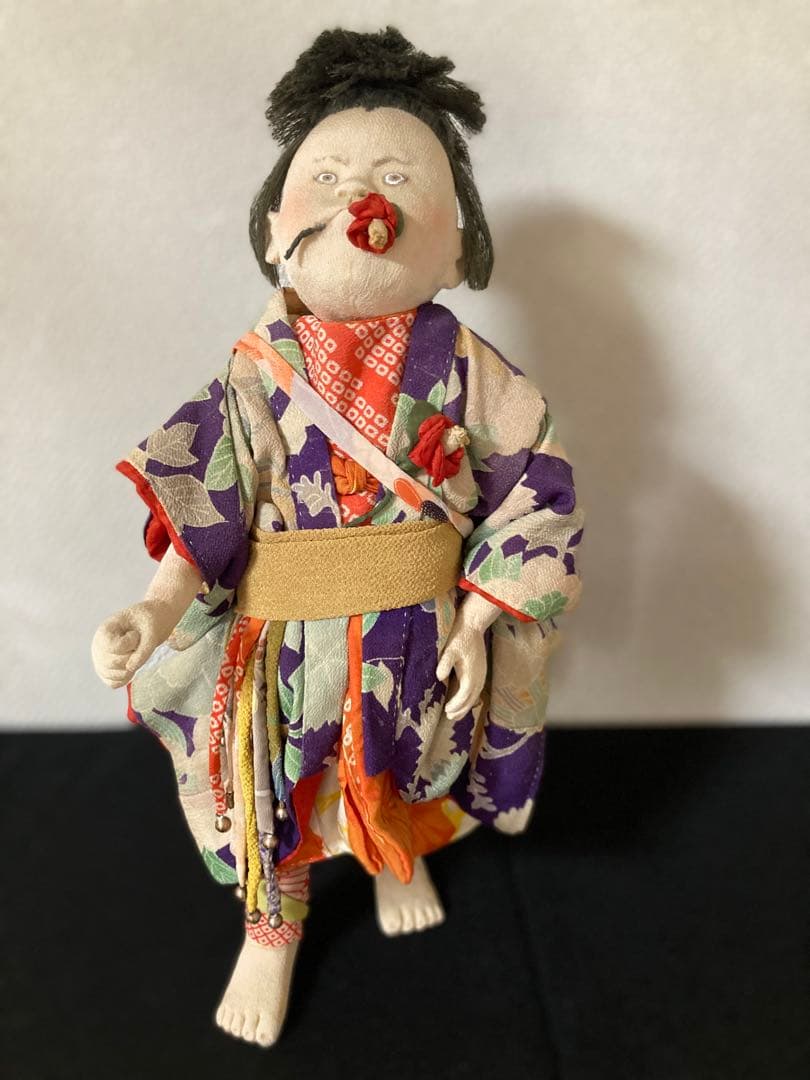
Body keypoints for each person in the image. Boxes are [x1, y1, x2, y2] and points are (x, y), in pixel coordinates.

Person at [91, 26, 585, 1049]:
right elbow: (209, 503)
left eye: (399, 175)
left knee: (409, 752)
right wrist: (158, 604)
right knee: (276, 781)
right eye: (329, 174)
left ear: (457, 246)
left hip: (418, 627)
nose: (363, 192)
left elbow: (533, 486)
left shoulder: (472, 370)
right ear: (277, 226)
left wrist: (483, 617)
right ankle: (271, 932)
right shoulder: (252, 373)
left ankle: (394, 856)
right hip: (284, 638)